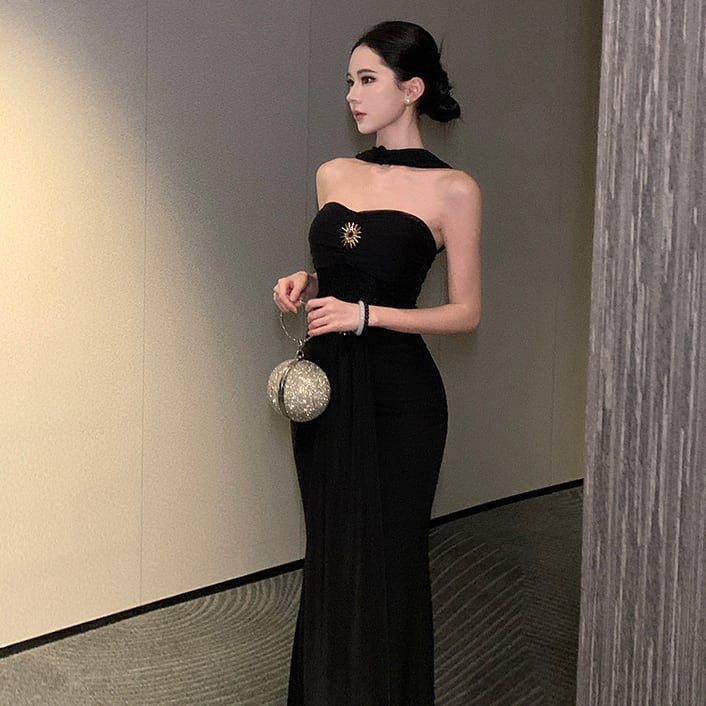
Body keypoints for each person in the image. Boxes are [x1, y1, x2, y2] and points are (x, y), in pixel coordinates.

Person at [272, 20, 481, 706]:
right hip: (327, 389)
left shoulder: (454, 190)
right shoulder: (334, 173)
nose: (352, 95)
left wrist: (367, 315)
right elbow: (350, 262)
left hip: (400, 398)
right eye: (349, 81)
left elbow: (466, 312)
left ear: (411, 89)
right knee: (331, 550)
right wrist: (307, 280)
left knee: (390, 560)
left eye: (367, 80)